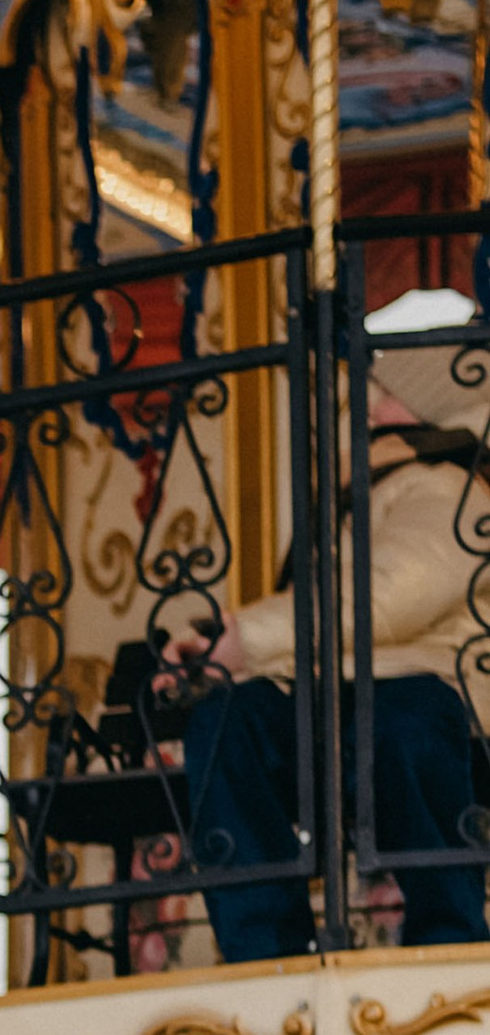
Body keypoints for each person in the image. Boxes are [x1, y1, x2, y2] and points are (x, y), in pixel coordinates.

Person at [177, 351, 489, 959]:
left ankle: (450, 935)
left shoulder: (452, 490)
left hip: (426, 682)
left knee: (406, 721)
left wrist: (250, 637)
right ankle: (264, 948)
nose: (369, 407)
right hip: (338, 684)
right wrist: (236, 650)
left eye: (388, 398)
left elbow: (391, 593)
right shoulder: (359, 502)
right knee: (229, 722)